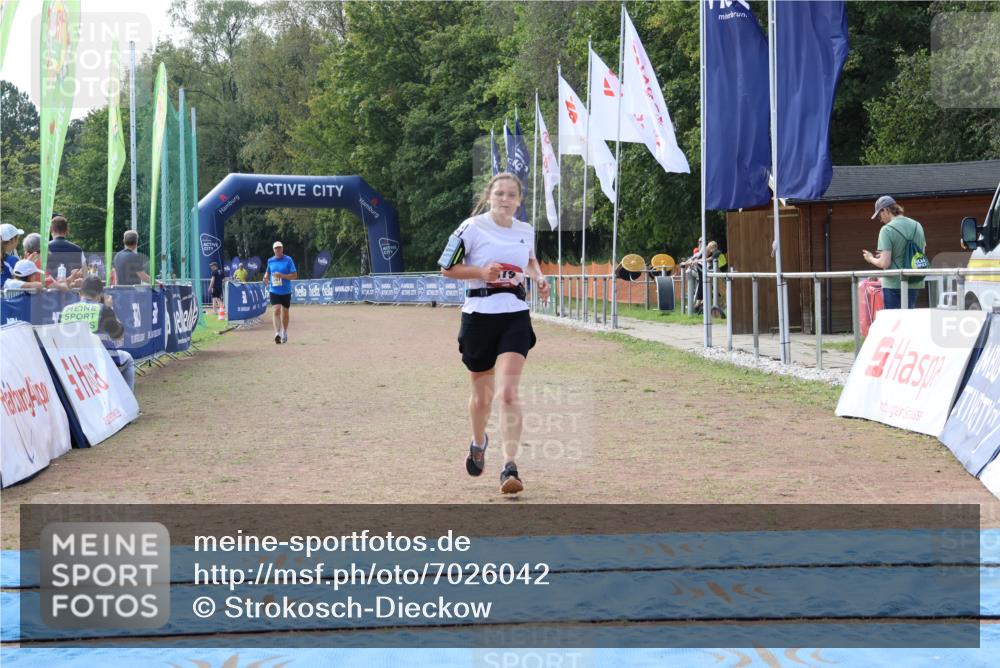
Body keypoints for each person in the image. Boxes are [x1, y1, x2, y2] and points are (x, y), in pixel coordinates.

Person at [440, 172, 550, 495]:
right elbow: (446, 268)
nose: (505, 199)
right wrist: (480, 272)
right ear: (490, 196)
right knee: (481, 398)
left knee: (508, 393)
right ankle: (478, 441)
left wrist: (539, 278)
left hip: (514, 315)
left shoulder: (525, 230)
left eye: (511, 194)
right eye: (499, 193)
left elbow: (529, 261)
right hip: (478, 317)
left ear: (519, 200)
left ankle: (509, 467)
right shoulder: (472, 227)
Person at [59, 276, 135, 391]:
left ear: (80, 293)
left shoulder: (65, 310)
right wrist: (110, 309)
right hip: (100, 363)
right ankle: (128, 402)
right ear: (100, 296)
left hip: (72, 364)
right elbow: (119, 335)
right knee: (128, 359)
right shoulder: (103, 309)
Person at [862, 195, 927, 309]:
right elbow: (921, 250)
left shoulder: (887, 230)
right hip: (915, 281)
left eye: (879, 215)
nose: (880, 219)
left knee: (895, 322)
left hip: (894, 283)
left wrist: (871, 258)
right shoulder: (917, 225)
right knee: (908, 320)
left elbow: (884, 263)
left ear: (886, 210)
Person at [262, 241, 297, 344]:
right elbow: (268, 272)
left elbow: (294, 275)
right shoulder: (270, 261)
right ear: (273, 250)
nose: (278, 250)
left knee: (285, 312)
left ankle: (284, 332)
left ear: (282, 249)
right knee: (276, 310)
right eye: (276, 248)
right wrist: (265, 278)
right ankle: (277, 333)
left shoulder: (288, 260)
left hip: (286, 291)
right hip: (274, 290)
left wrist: (282, 276)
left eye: (279, 248)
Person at [1, 223, 25, 288]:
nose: (18, 242)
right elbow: (22, 282)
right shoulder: (12, 260)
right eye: (18, 238)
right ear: (13, 240)